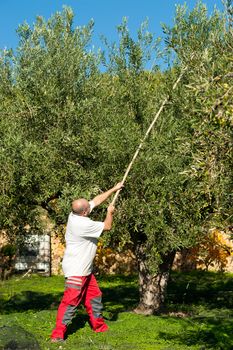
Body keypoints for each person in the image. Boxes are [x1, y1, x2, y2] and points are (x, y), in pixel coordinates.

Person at [51, 182, 123, 343]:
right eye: (88, 208)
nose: (90, 207)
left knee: (95, 297)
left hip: (85, 270)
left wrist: (114, 188)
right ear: (84, 212)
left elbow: (96, 201)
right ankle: (57, 335)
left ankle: (99, 327)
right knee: (71, 302)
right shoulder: (83, 224)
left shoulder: (75, 214)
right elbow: (108, 226)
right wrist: (110, 212)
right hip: (77, 270)